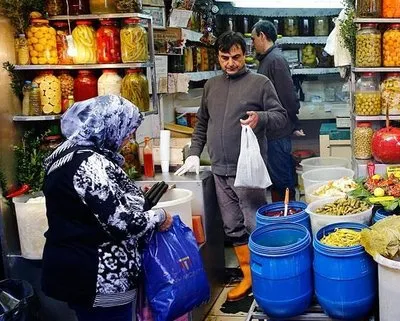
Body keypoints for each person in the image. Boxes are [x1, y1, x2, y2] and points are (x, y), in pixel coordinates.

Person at [174, 31, 288, 301]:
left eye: (236, 57)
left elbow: (281, 117)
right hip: (219, 170)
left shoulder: (260, 83)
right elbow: (202, 123)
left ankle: (266, 275)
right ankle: (248, 276)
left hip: (247, 171)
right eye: (225, 58)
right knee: (232, 226)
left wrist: (260, 118)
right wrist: (193, 153)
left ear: (245, 53)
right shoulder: (211, 86)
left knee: (254, 223)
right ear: (218, 57)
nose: (231, 63)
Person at [41, 95, 173, 321]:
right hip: (98, 276)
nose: (130, 137)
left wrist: (141, 202)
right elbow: (122, 223)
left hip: (77, 270)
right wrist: (158, 216)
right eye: (128, 129)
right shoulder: (89, 162)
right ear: (109, 124)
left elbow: (91, 208)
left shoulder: (66, 155)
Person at [251, 20, 302, 202]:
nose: (252, 43)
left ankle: (288, 217)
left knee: (282, 179)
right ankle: (281, 214)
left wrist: (294, 121)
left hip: (278, 131)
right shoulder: (267, 60)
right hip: (271, 131)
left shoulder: (275, 60)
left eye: (253, 38)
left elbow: (288, 95)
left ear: (262, 36)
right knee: (277, 178)